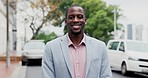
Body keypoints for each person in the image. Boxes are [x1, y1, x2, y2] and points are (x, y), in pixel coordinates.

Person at [42, 4, 113, 78]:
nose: (75, 20)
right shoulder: (51, 48)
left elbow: (106, 76)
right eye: (71, 17)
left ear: (85, 21)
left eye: (79, 17)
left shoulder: (100, 47)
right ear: (66, 21)